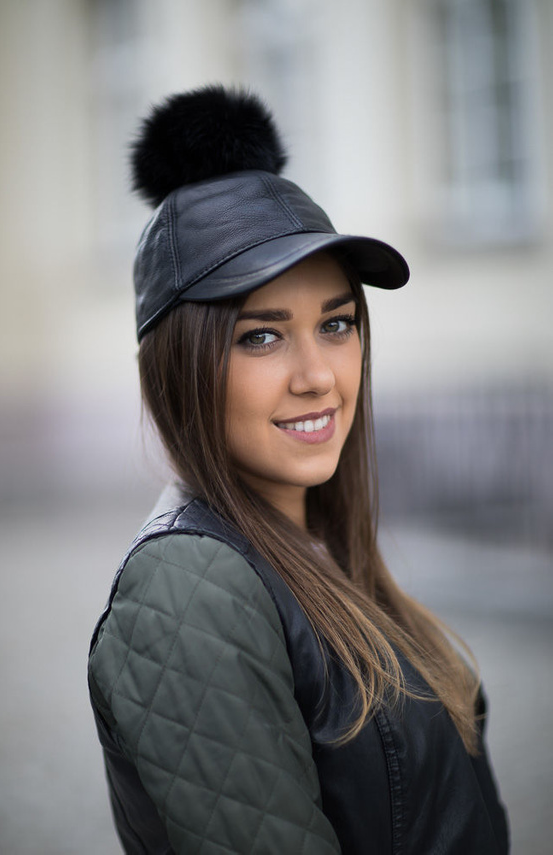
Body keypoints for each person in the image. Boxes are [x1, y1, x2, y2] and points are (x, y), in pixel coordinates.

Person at [88, 85, 509, 854]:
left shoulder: (317, 543)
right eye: (261, 336)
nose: (319, 375)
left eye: (337, 323)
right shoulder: (189, 589)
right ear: (181, 367)